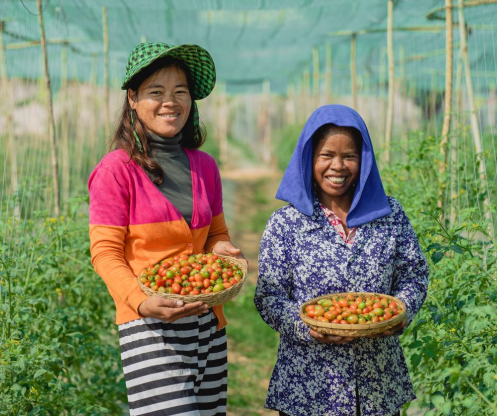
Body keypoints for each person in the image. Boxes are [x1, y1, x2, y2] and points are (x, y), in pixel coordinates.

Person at [88, 42, 244, 416]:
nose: (170, 102)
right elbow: (105, 253)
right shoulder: (116, 170)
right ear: (133, 98)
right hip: (150, 327)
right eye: (156, 91)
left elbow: (216, 235)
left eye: (180, 91)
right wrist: (141, 301)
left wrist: (222, 251)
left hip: (208, 324)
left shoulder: (204, 166)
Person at [254, 104, 429, 416]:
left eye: (349, 156)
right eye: (326, 156)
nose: (338, 166)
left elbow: (413, 276)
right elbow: (269, 296)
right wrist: (307, 326)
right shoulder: (287, 223)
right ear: (309, 160)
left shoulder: (390, 215)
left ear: (364, 160)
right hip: (308, 387)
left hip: (378, 386)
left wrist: (401, 312)